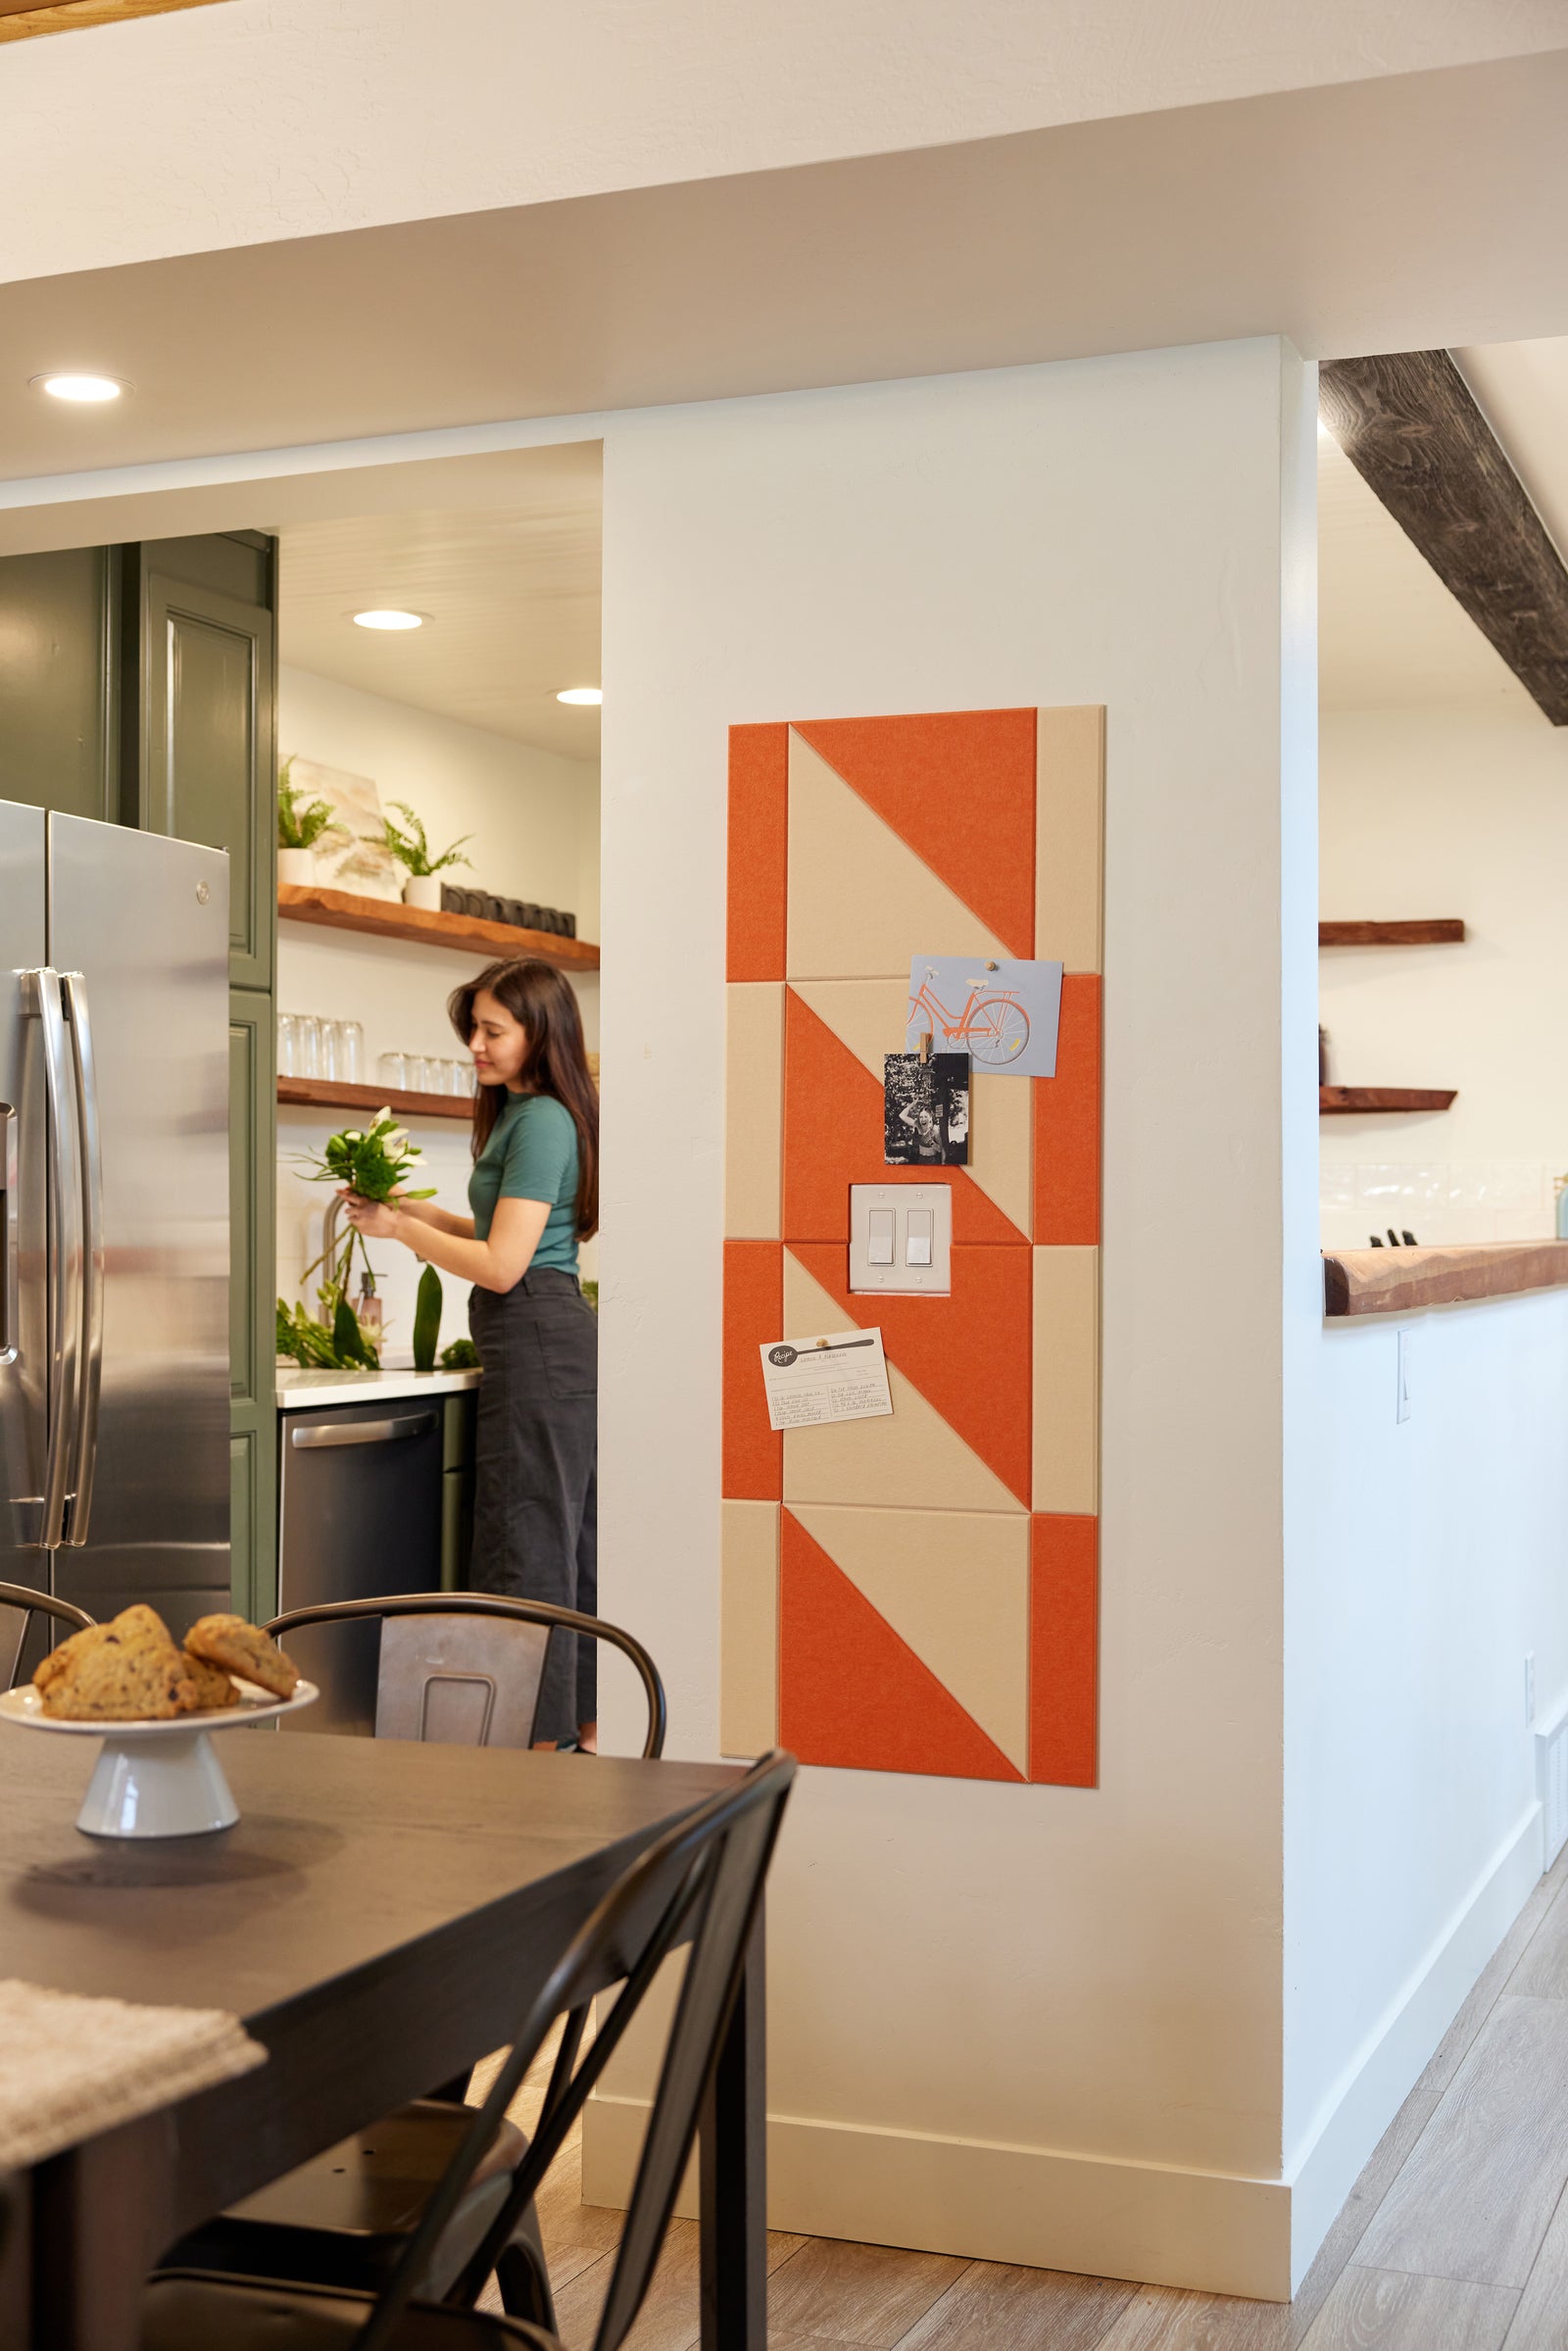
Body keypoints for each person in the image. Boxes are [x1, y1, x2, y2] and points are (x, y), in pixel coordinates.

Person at [342, 958, 599, 1750]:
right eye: (474, 1030)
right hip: (541, 1336)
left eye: (493, 1031)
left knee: (527, 1546)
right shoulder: (529, 1115)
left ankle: (535, 1744)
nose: (476, 1047)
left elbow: (503, 1265)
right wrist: (418, 1212)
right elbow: (494, 1238)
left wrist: (398, 1233)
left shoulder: (544, 1120)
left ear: (538, 1033)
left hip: (537, 1336)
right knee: (562, 1544)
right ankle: (579, 1732)